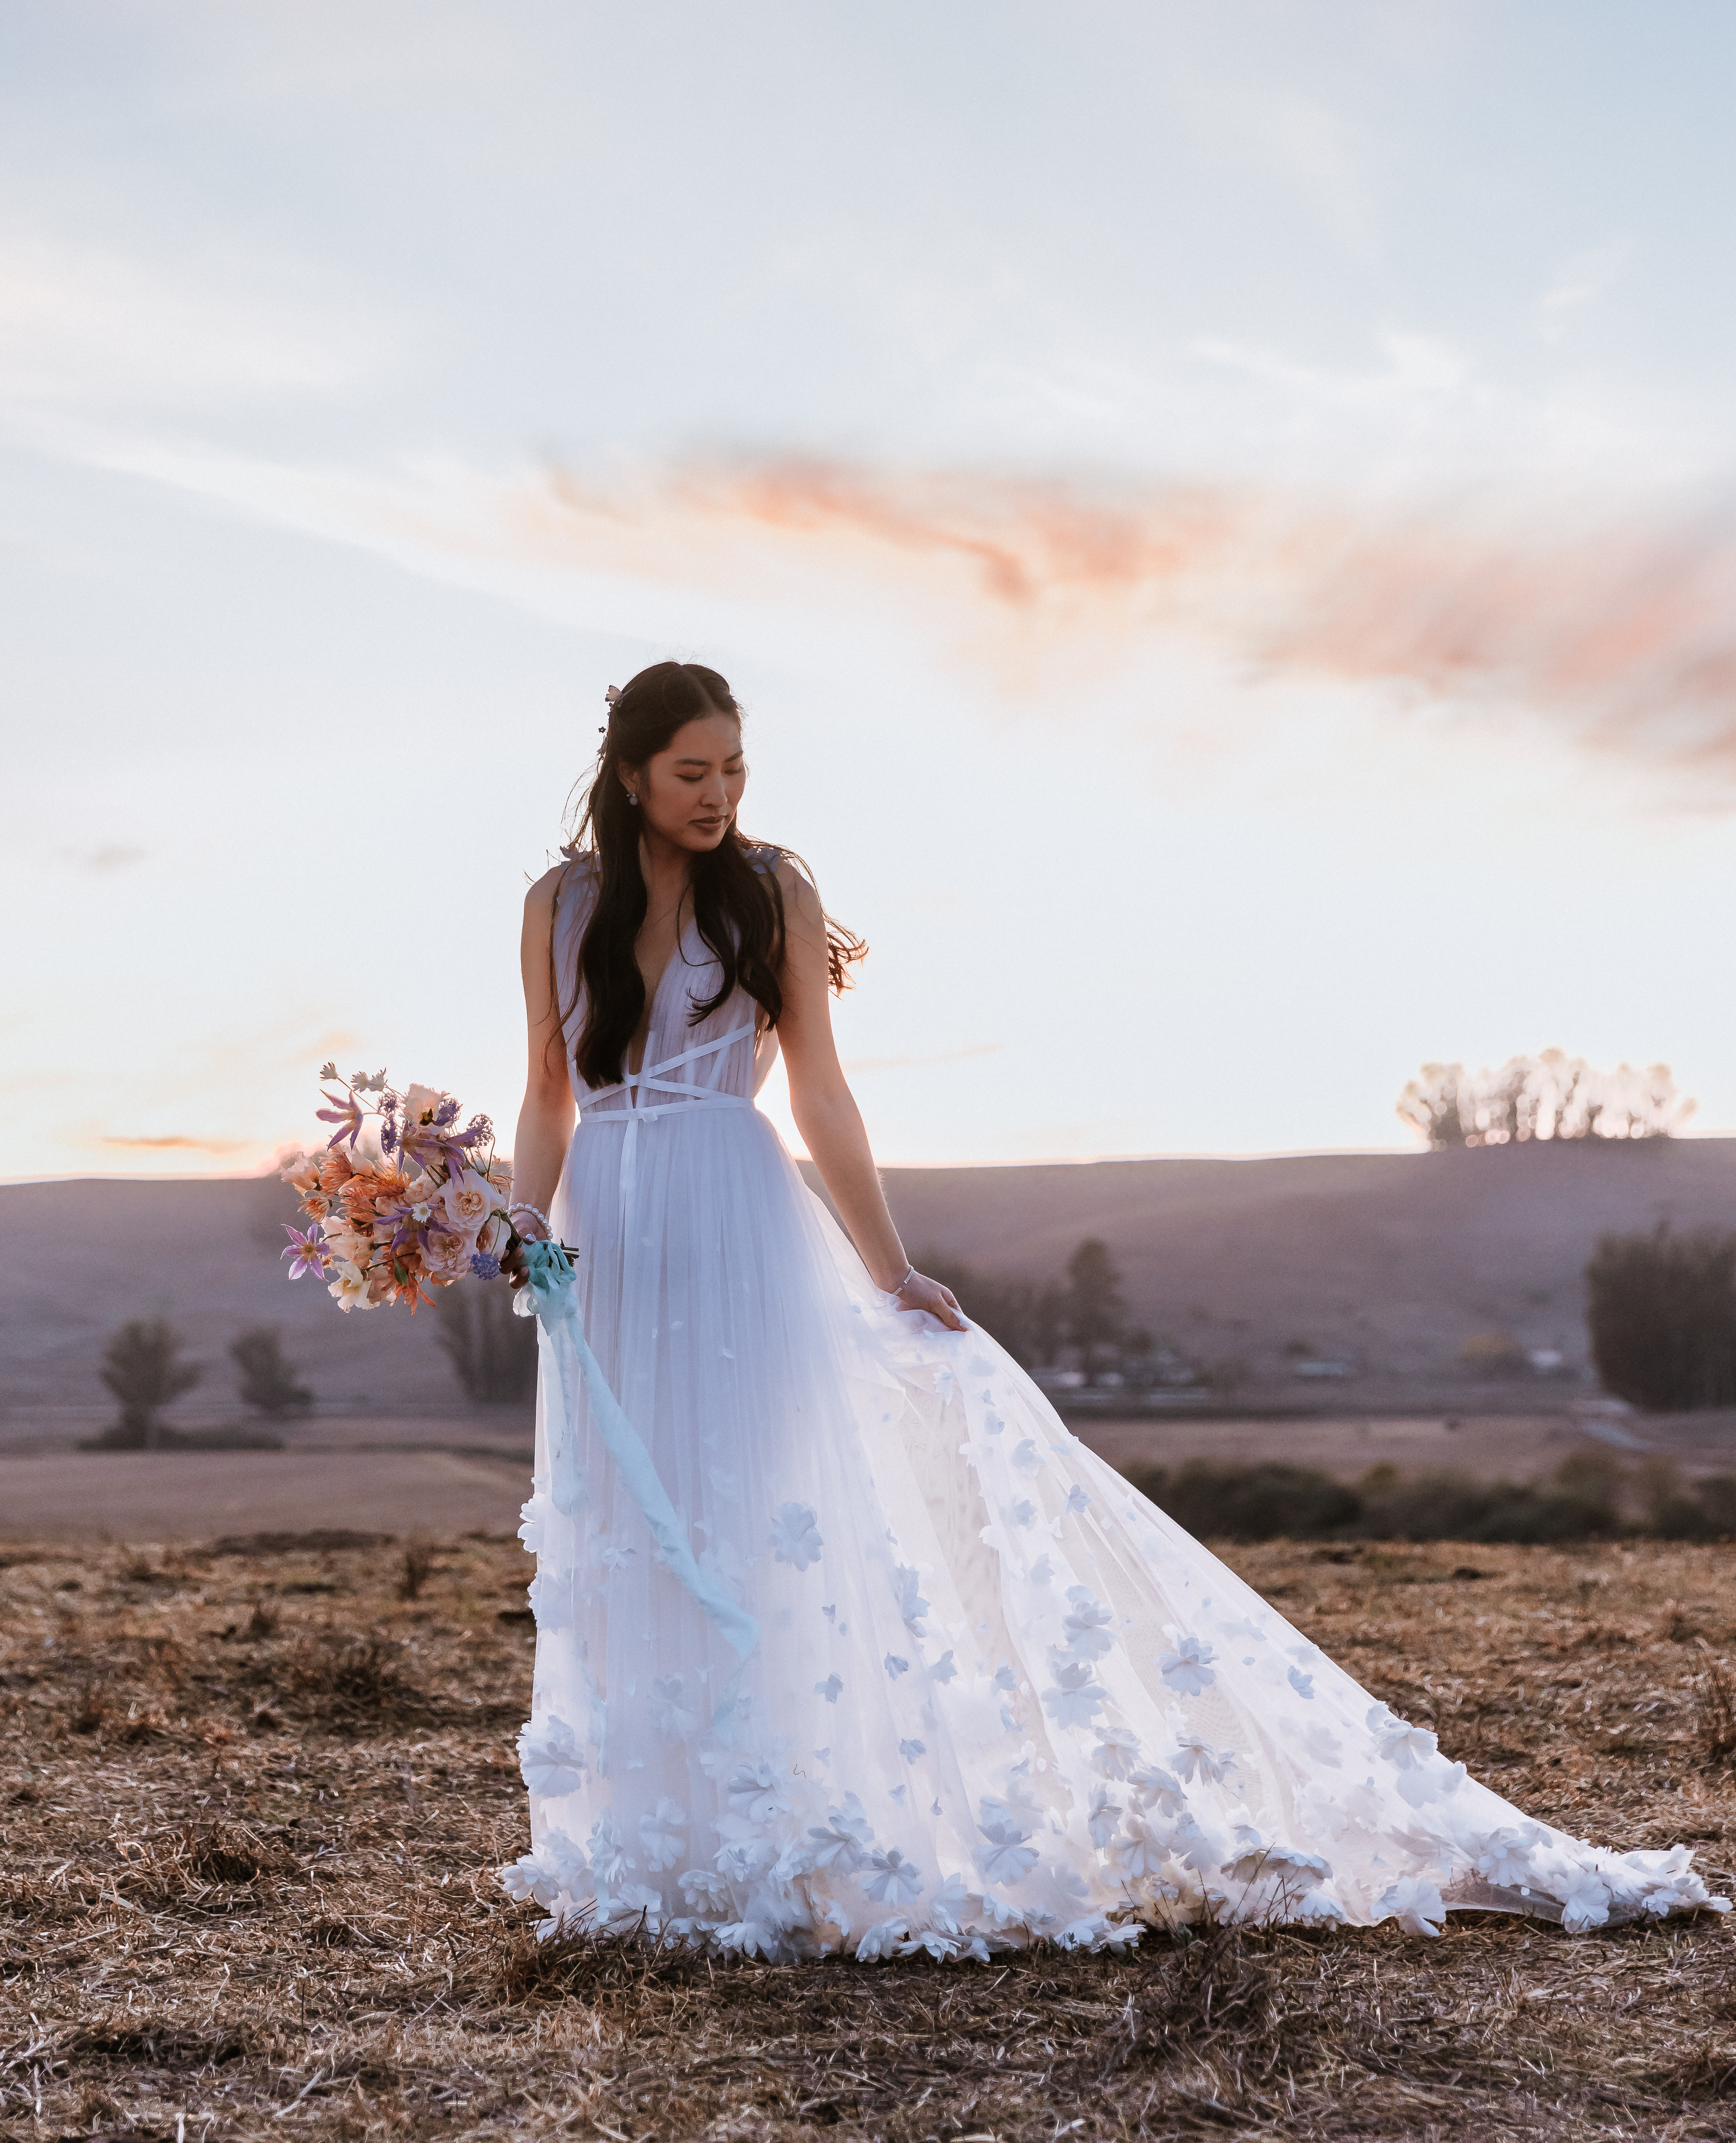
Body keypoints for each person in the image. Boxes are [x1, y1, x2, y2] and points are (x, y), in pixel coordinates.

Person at [500, 662, 1721, 1960]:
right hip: (610, 1237)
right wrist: (528, 1221)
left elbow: (824, 1097)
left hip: (741, 1221)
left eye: (736, 768)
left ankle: (784, 1841)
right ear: (631, 773)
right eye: (693, 772)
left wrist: (889, 1268)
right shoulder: (558, 902)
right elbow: (541, 1086)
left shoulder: (772, 889)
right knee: (627, 1520)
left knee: (750, 1515)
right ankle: (658, 1852)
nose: (720, 795)